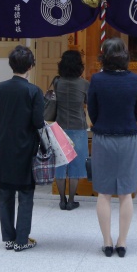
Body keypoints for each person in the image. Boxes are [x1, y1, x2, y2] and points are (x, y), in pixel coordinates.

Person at [87, 38, 137, 258]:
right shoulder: (136, 80)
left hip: (103, 137)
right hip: (128, 137)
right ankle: (122, 242)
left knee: (103, 193)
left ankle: (107, 242)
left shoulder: (97, 80)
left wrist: (102, 122)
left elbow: (92, 110)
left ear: (105, 57)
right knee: (125, 193)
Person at [0, 45, 45, 252]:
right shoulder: (33, 91)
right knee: (25, 193)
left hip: (3, 144)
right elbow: (38, 122)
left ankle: (9, 238)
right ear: (30, 66)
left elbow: (1, 113)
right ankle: (22, 239)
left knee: (5, 193)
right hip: (25, 146)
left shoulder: (1, 87)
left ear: (11, 65)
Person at [52, 50, 90, 211]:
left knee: (60, 164)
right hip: (78, 128)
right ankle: (72, 200)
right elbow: (88, 101)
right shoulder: (84, 84)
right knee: (76, 165)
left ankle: (62, 199)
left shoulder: (57, 82)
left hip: (59, 127)